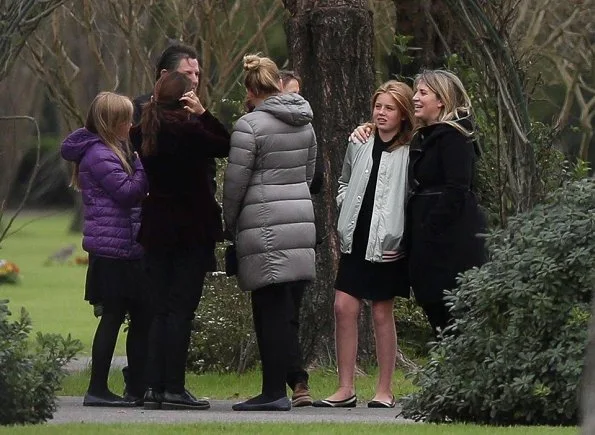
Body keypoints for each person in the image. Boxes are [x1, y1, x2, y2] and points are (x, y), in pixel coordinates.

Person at [130, 71, 230, 410]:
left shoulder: (144, 131)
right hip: (190, 230)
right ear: (186, 97)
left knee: (159, 310)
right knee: (181, 311)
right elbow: (225, 143)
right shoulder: (190, 132)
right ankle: (174, 386)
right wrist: (203, 112)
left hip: (155, 228)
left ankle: (152, 387)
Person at [223, 54, 317, 412]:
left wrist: (229, 221)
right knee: (284, 308)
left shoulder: (249, 127)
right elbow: (309, 174)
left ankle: (272, 391)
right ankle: (279, 388)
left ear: (250, 89)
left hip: (263, 225)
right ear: (278, 83)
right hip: (299, 220)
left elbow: (235, 183)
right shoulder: (305, 122)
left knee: (268, 311)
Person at [312, 80, 414, 409]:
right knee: (343, 307)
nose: (381, 113)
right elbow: (343, 180)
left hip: (388, 243)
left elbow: (413, 196)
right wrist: (345, 204)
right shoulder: (360, 141)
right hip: (355, 237)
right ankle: (345, 388)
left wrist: (402, 234)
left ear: (403, 114)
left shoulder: (412, 149)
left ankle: (384, 389)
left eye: (389, 108)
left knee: (382, 311)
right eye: (378, 106)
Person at [61, 91, 151, 407]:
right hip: (113, 250)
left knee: (132, 315)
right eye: (126, 119)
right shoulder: (101, 155)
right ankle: (97, 387)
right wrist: (142, 167)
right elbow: (127, 193)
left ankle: (133, 385)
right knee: (112, 317)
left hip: (122, 246)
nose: (131, 124)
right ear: (111, 123)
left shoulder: (110, 149)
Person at [405, 69, 487, 335]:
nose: (415, 98)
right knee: (435, 310)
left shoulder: (454, 137)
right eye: (416, 91)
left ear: (441, 100)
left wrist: (430, 228)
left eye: (423, 93)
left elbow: (457, 188)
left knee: (452, 315)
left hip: (450, 243)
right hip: (430, 239)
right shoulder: (426, 135)